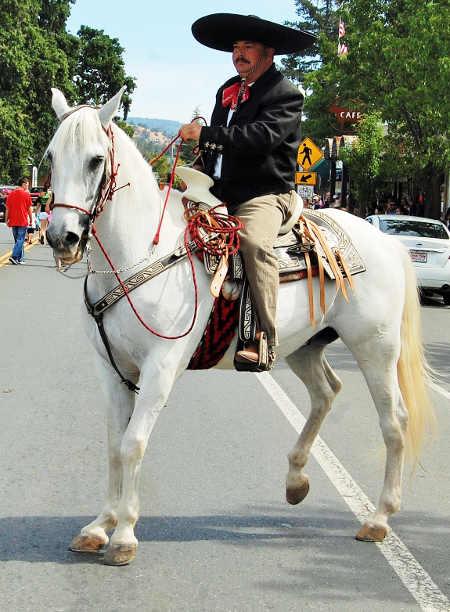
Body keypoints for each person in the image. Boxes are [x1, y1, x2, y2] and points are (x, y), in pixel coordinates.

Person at [179, 13, 315, 369]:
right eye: (236, 48)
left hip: (264, 194)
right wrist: (197, 169)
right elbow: (217, 149)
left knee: (253, 243)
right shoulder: (228, 89)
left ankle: (264, 338)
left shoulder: (286, 94)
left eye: (247, 47)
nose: (238, 54)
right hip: (220, 190)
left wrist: (206, 135)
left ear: (268, 53)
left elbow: (260, 139)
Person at [5, 177, 33, 264]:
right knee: (20, 240)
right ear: (23, 184)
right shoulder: (26, 194)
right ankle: (14, 256)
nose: (28, 187)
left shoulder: (10, 195)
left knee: (17, 241)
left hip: (13, 220)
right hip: (22, 220)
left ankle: (19, 258)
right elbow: (29, 209)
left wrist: (6, 219)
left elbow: (7, 209)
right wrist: (31, 219)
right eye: (27, 185)